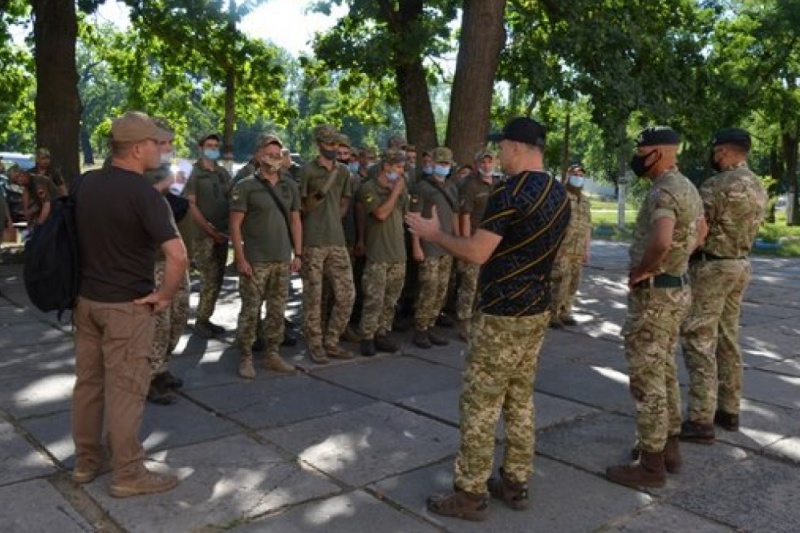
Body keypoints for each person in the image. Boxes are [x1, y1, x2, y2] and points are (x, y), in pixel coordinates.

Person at [406, 117, 569, 521]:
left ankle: (470, 493)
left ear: (516, 147)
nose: (499, 156)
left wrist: (433, 233)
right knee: (519, 399)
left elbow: (478, 252)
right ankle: (515, 482)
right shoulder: (559, 192)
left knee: (480, 404)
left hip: (501, 313)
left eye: (503, 148)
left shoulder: (509, 191)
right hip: (536, 308)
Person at [71, 111, 187, 497]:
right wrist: (165, 295)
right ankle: (128, 473)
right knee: (126, 389)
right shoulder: (142, 193)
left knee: (88, 385)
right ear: (138, 149)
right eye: (156, 142)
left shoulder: (86, 183)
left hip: (87, 302)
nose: (162, 149)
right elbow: (178, 256)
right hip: (127, 306)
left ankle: (87, 462)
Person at [606, 127, 706, 489]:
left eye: (643, 150)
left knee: (647, 379)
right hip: (677, 290)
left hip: (655, 297)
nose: (638, 156)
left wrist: (644, 270)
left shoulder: (664, 189)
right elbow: (702, 230)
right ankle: (670, 448)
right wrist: (680, 259)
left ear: (660, 153)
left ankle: (651, 466)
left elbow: (662, 239)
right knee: (664, 370)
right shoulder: (688, 186)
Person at [679, 128, 767, 443]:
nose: (714, 158)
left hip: (713, 267)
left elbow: (697, 230)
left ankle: (701, 418)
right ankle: (729, 411)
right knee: (728, 337)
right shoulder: (758, 186)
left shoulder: (716, 186)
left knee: (698, 337)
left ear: (726, 152)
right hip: (741, 265)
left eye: (716, 152)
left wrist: (678, 259)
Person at [230, 134, 301, 379]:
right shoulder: (245, 185)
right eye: (270, 154)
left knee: (277, 309)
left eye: (278, 154)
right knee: (251, 310)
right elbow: (235, 225)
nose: (274, 159)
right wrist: (240, 258)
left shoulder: (288, 184)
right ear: (258, 155)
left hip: (282, 258)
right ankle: (246, 356)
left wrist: (297, 253)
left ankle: (272, 354)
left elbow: (295, 220)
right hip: (255, 259)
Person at [142, 119, 191, 406]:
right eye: (164, 143)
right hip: (154, 259)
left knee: (180, 315)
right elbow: (142, 200)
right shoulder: (140, 173)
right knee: (159, 322)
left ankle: (162, 368)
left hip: (175, 254)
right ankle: (148, 377)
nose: (170, 148)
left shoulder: (165, 171)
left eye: (172, 142)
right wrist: (168, 182)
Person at [299, 124, 356, 364]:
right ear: (319, 145)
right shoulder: (307, 171)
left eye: (336, 144)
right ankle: (315, 343)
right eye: (329, 144)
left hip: (337, 240)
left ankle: (332, 340)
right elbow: (300, 208)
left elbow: (344, 202)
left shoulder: (343, 173)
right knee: (314, 297)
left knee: (347, 294)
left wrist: (334, 219)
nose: (333, 148)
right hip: (313, 241)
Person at [357, 148, 409, 356]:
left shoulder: (400, 189)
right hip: (378, 254)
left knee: (391, 299)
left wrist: (397, 192)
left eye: (402, 167)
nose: (400, 171)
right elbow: (380, 214)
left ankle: (382, 332)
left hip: (398, 252)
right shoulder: (368, 188)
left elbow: (403, 214)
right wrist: (395, 192)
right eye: (397, 167)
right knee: (374, 298)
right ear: (385, 166)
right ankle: (367, 336)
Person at [410, 146, 459, 349]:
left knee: (441, 289)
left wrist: (457, 241)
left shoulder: (451, 187)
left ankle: (431, 325)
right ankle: (420, 329)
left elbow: (454, 215)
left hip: (446, 246)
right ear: (432, 164)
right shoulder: (423, 187)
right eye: (440, 163)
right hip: (428, 246)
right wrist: (416, 246)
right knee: (428, 288)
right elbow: (414, 218)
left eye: (447, 164)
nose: (443, 167)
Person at [184, 132, 232, 338]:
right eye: (209, 145)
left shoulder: (222, 172)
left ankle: (206, 317)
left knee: (218, 278)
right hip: (203, 236)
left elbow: (232, 197)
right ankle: (201, 320)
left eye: (216, 146)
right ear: (200, 147)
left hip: (223, 233)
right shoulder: (192, 172)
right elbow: (191, 205)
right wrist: (209, 230)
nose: (213, 149)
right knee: (209, 278)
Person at [455, 150, 496, 340]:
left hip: (493, 241)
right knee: (469, 284)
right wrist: (465, 243)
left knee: (486, 283)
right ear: (477, 163)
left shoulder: (498, 183)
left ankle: (480, 318)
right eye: (483, 162)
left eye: (490, 162)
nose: (487, 165)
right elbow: (465, 215)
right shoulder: (470, 185)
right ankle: (464, 320)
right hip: (475, 239)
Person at [549, 164, 592, 328]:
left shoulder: (585, 200)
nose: (578, 177)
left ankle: (565, 312)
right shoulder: (561, 196)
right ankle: (552, 314)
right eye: (575, 174)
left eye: (581, 174)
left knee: (574, 282)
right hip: (563, 249)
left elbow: (588, 226)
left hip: (578, 249)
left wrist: (587, 249)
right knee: (559, 282)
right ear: (568, 175)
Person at [8, 165, 59, 230]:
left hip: (56, 212)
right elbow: (38, 204)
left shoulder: (38, 183)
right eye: (15, 182)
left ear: (23, 174)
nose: (18, 183)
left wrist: (39, 223)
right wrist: (28, 213)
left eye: (18, 178)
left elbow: (47, 204)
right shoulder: (29, 184)